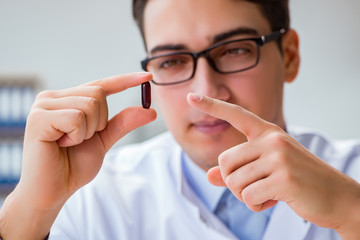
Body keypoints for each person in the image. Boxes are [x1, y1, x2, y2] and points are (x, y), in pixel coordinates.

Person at [1, 0, 360, 239]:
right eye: (172, 60)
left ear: (291, 56)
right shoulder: (96, 200)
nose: (205, 92)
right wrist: (32, 210)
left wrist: (349, 210)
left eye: (235, 50)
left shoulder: (353, 178)